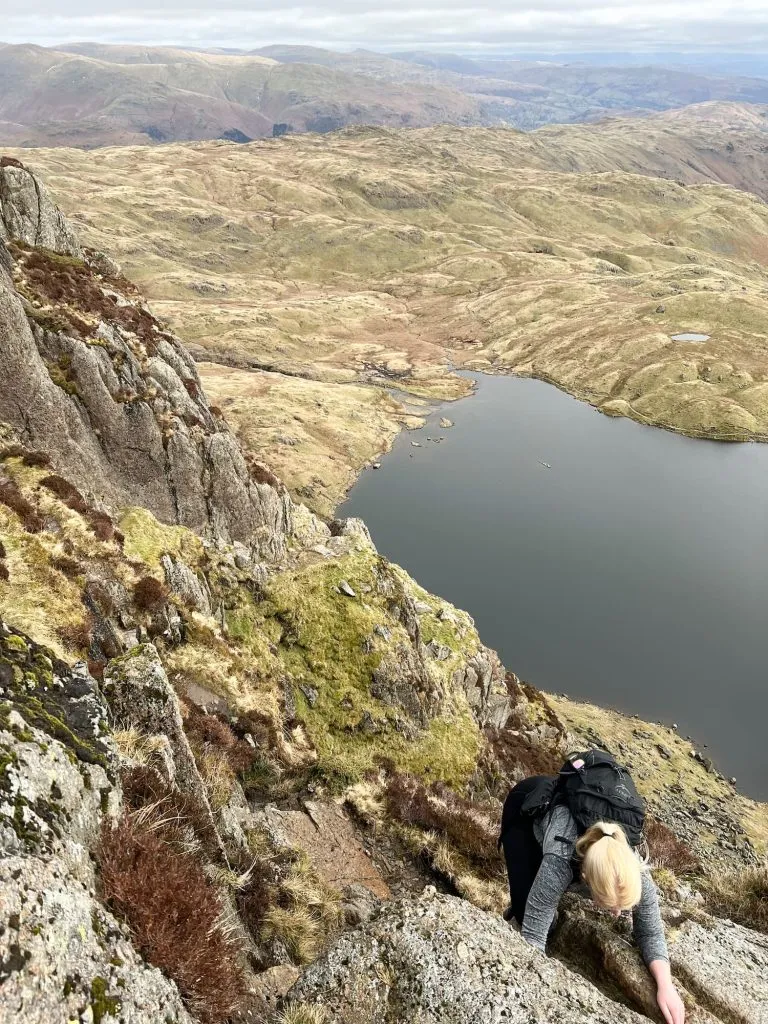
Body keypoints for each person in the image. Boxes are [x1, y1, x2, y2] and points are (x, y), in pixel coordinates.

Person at [500, 756, 686, 1024]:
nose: (616, 913)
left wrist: (666, 986)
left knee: (542, 900)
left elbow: (650, 930)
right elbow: (533, 937)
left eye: (622, 907)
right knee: (525, 910)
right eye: (610, 905)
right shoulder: (560, 862)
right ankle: (521, 898)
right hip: (526, 807)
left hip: (577, 822)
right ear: (585, 878)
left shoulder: (632, 869)